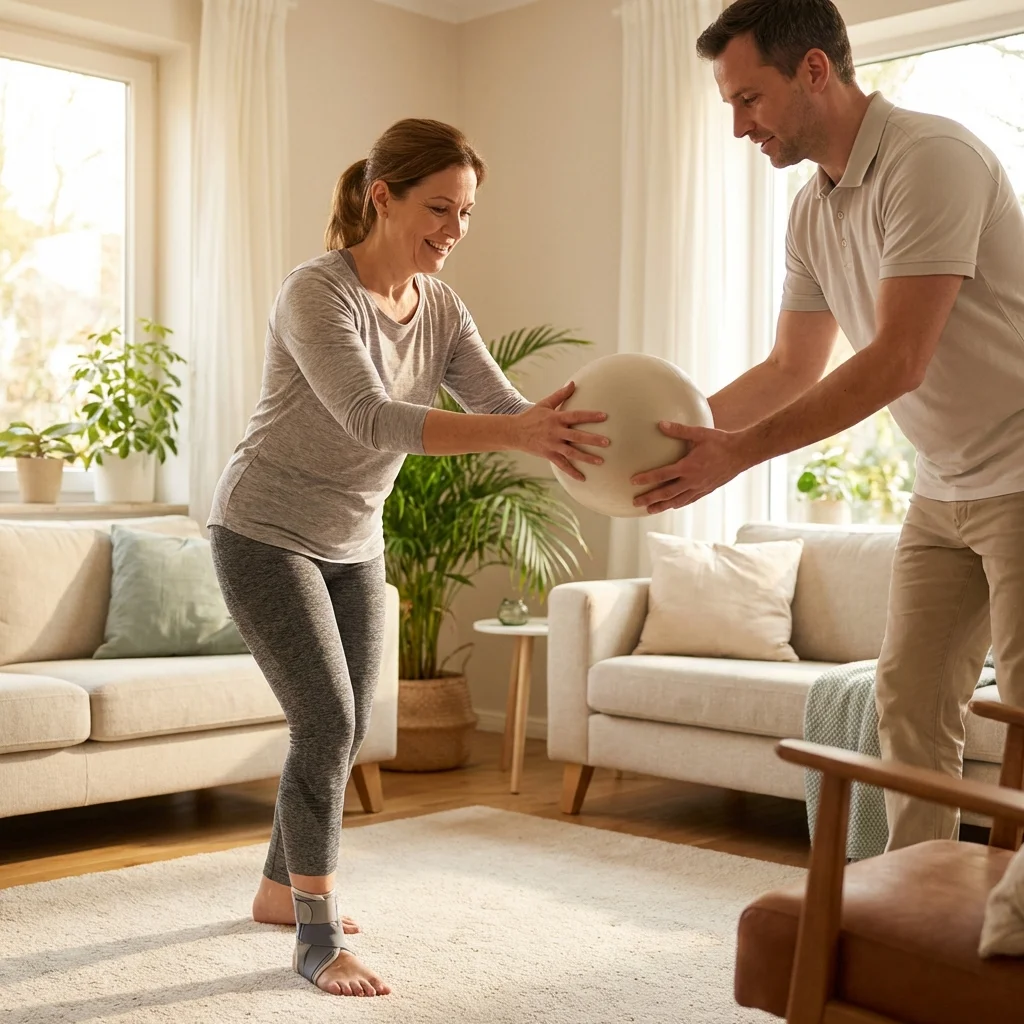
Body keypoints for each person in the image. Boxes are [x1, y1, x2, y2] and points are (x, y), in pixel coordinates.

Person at [207, 118, 608, 997]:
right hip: (263, 531)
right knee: (325, 721)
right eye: (438, 209)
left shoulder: (443, 307)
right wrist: (521, 428)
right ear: (380, 197)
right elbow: (371, 416)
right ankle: (315, 935)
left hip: (354, 542)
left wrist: (574, 432)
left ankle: (281, 890)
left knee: (341, 728)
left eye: (465, 215)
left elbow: (501, 402)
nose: (453, 232)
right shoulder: (317, 293)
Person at [631, 0, 1024, 852]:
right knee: (909, 705)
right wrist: (657, 437)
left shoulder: (933, 160)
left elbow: (897, 360)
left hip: (1023, 475)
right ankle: (922, 909)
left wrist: (735, 457)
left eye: (749, 99)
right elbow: (789, 369)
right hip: (945, 483)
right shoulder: (814, 210)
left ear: (814, 69)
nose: (739, 127)